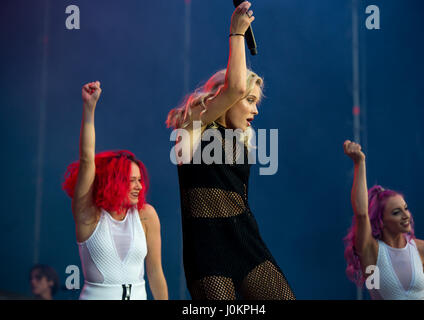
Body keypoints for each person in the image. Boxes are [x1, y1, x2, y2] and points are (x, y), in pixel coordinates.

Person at [166, 1, 295, 300]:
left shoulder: (242, 140)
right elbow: (235, 87)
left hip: (246, 241)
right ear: (223, 96)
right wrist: (236, 35)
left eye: (256, 103)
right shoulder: (194, 126)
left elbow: (236, 90)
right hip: (207, 250)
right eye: (250, 100)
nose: (254, 110)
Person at [62, 81, 168, 300]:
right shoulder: (89, 215)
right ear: (114, 181)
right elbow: (86, 159)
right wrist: (89, 110)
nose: (140, 186)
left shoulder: (146, 215)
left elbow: (155, 272)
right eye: (132, 180)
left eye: (140, 180)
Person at [342, 140, 424, 300]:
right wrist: (360, 162)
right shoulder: (371, 253)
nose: (406, 215)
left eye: (405, 208)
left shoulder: (421, 249)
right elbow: (361, 213)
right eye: (396, 212)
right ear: (381, 221)